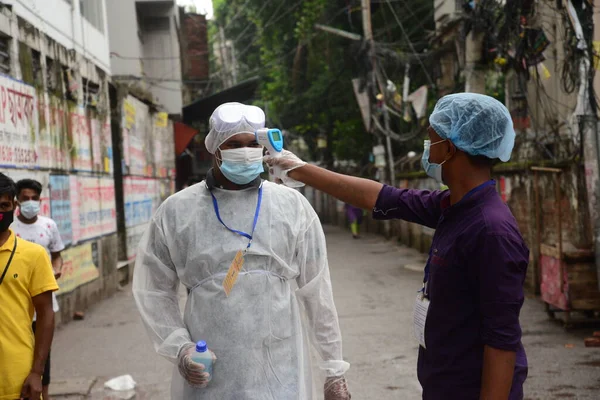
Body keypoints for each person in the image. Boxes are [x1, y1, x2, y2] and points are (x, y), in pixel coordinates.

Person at [265, 93, 529, 400]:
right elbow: (381, 198)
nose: (427, 149)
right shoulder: (453, 206)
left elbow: (501, 342)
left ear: (450, 148)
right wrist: (298, 168)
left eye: (432, 139)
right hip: (443, 384)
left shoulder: (491, 231)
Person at [133, 102, 351, 400]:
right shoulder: (177, 210)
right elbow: (154, 290)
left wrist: (334, 369)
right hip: (210, 366)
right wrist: (180, 347)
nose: (245, 151)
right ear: (215, 148)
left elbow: (317, 290)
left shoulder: (292, 206)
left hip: (279, 365)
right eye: (234, 144)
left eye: (252, 144)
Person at [0, 173, 58, 400]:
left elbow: (45, 313)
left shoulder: (33, 255)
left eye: (4, 205)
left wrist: (37, 372)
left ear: (14, 206)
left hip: (17, 377)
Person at [12, 179, 65, 400]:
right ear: (17, 201)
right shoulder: (10, 228)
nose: (30, 203)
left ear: (40, 200)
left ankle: (44, 394)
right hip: (17, 307)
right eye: (25, 199)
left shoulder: (49, 225)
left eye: (34, 198)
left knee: (42, 354)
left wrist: (56, 269)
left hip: (43, 304)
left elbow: (57, 254)